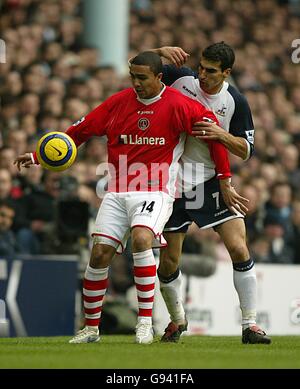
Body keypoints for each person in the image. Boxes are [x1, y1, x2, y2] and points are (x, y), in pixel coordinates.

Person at [14, 51, 240, 345]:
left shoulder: (181, 106)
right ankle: (91, 328)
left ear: (160, 78)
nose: (135, 82)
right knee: (99, 253)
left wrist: (225, 180)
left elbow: (215, 138)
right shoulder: (118, 103)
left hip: (156, 191)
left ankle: (144, 323)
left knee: (142, 239)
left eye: (142, 77)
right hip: (117, 191)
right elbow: (79, 132)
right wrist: (38, 156)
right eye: (132, 76)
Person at [149, 42, 271, 344]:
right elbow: (138, 68)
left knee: (239, 248)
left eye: (211, 71)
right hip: (172, 183)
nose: (202, 75)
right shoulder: (182, 79)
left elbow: (246, 150)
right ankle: (177, 321)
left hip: (212, 181)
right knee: (168, 263)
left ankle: (250, 325)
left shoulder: (235, 102)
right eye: (201, 67)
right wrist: (159, 51)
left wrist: (221, 135)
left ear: (226, 72)